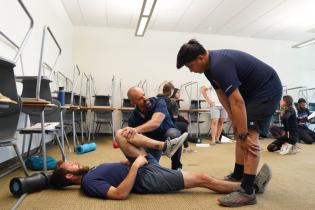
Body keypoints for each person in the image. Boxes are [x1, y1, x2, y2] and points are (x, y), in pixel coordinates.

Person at [176, 39, 282, 207]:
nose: (191, 71)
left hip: (266, 89)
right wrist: (233, 117)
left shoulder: (219, 65)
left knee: (248, 134)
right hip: (252, 92)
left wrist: (243, 132)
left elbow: (238, 101)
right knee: (240, 131)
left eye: (190, 66)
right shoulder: (209, 68)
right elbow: (221, 94)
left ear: (201, 57)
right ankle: (238, 175)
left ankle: (247, 191)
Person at [50, 130, 272, 207]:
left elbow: (113, 175)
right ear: (69, 175)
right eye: (69, 164)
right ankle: (251, 187)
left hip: (142, 168)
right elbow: (119, 194)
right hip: (147, 179)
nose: (73, 161)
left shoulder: (90, 172)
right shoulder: (88, 184)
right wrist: (135, 167)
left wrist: (124, 164)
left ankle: (165, 147)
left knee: (122, 134)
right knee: (203, 179)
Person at [126, 86, 182, 170]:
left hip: (168, 135)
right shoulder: (133, 118)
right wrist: (135, 158)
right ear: (133, 103)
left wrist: (136, 129)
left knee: (174, 134)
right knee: (149, 168)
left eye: (144, 95)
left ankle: (176, 167)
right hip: (153, 142)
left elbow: (155, 123)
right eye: (140, 98)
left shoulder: (159, 101)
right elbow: (134, 140)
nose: (145, 98)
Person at [157, 82, 184, 170]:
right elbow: (175, 117)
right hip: (167, 129)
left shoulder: (154, 100)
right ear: (172, 91)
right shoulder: (173, 102)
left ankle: (153, 165)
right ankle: (177, 166)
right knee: (178, 133)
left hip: (154, 130)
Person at [170, 88, 195, 153]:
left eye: (179, 92)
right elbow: (175, 116)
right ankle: (186, 146)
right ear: (173, 93)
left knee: (184, 123)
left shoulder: (174, 101)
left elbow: (176, 115)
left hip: (171, 121)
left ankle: (185, 145)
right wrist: (184, 118)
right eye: (177, 92)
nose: (179, 94)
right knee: (184, 125)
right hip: (171, 122)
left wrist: (183, 118)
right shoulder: (173, 101)